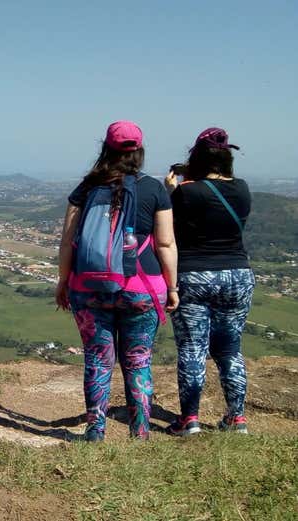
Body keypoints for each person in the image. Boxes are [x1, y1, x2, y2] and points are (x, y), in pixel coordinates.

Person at [55, 121, 178, 441]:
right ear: (139, 152)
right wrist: (173, 287)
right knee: (138, 362)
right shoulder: (154, 189)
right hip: (142, 288)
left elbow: (68, 240)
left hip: (89, 287)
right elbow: (165, 244)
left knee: (98, 360)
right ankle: (140, 435)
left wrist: (62, 281)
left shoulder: (87, 188)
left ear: (105, 149)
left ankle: (95, 433)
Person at [164, 127, 254, 435]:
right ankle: (237, 418)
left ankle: (189, 419)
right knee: (230, 348)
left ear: (197, 158)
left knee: (192, 348)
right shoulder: (243, 189)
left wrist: (171, 191)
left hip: (195, 275)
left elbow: (168, 231)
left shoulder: (186, 192)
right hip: (238, 274)